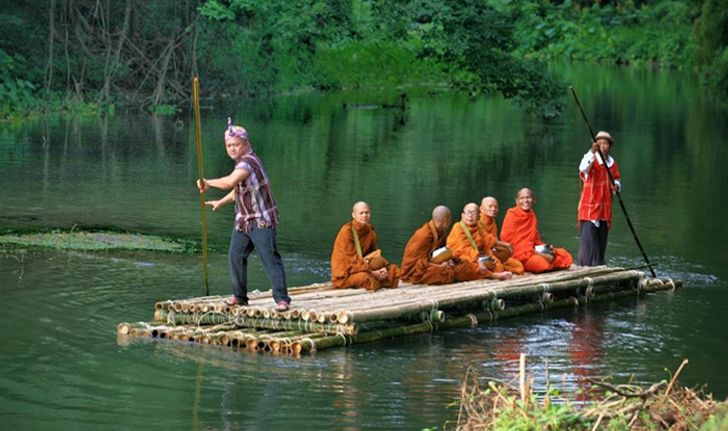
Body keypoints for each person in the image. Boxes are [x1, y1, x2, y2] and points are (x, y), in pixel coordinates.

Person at [196, 118, 291, 311]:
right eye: (229, 145)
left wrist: (207, 182)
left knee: (269, 257)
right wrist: (221, 202)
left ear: (246, 144)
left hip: (261, 220)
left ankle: (282, 299)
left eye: (236, 144)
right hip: (243, 221)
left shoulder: (248, 162)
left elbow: (230, 182)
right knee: (235, 256)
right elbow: (238, 189)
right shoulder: (240, 163)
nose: (232, 148)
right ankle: (240, 297)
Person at [400, 205, 481, 284]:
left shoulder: (441, 233)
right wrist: (439, 266)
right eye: (449, 220)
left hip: (434, 264)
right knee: (444, 272)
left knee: (465, 265)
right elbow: (419, 264)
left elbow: (445, 251)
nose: (449, 223)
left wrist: (449, 260)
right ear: (445, 220)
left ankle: (453, 273)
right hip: (415, 272)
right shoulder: (423, 235)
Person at [330, 201, 400, 290]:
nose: (364, 216)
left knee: (394, 271)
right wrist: (373, 272)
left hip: (364, 266)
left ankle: (380, 280)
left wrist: (383, 268)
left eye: (367, 213)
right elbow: (351, 262)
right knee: (366, 278)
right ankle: (376, 283)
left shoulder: (370, 230)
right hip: (346, 273)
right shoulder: (347, 232)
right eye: (361, 213)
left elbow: (375, 254)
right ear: (354, 215)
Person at [501, 188, 573, 273]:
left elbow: (535, 240)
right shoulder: (512, 215)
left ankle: (550, 265)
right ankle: (547, 266)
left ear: (533, 200)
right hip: (520, 254)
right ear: (517, 201)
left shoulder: (532, 215)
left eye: (528, 197)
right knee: (542, 264)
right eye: (522, 198)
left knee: (565, 255)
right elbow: (508, 242)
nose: (525, 200)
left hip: (533, 250)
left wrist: (547, 249)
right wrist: (541, 254)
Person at [577, 131, 621, 266]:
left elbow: (617, 179)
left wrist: (617, 186)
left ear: (609, 146)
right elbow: (583, 168)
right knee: (588, 242)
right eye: (600, 143)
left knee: (601, 241)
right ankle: (584, 267)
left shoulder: (612, 164)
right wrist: (592, 151)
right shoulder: (590, 158)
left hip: (604, 209)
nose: (603, 146)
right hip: (590, 208)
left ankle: (599, 265)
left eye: (605, 144)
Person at [446, 203, 513, 280]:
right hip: (464, 259)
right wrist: (478, 260)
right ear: (462, 215)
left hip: (479, 257)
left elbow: (488, 240)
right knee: (470, 267)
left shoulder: (479, 227)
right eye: (468, 212)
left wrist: (506, 245)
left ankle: (493, 272)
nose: (470, 216)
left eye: (473, 213)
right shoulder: (458, 227)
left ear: (478, 216)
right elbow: (461, 250)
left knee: (497, 265)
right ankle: (494, 275)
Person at [479, 196, 524, 275]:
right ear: (481, 209)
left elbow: (493, 241)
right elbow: (485, 241)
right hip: (481, 254)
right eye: (490, 206)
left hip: (491, 251)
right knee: (499, 268)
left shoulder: (492, 221)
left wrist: (504, 249)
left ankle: (499, 265)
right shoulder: (478, 222)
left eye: (495, 207)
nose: (493, 209)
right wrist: (506, 244)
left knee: (518, 266)